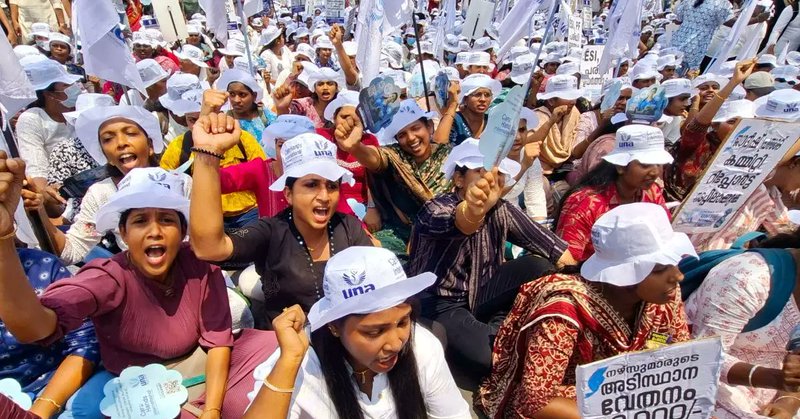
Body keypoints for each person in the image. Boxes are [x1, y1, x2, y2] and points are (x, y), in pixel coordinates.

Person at [0, 159, 278, 418]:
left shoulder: (199, 265)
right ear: (123, 233)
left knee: (275, 348)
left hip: (200, 367)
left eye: (167, 220)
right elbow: (36, 327)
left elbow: (218, 341)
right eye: (140, 221)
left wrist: (213, 410)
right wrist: (3, 238)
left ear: (182, 232)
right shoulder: (107, 276)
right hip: (137, 385)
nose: (154, 231)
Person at [476, 203, 696, 419]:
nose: (678, 276)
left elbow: (678, 355)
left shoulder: (665, 296)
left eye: (674, 264)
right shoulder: (564, 310)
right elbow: (535, 402)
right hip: (573, 404)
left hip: (632, 398)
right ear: (625, 278)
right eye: (659, 269)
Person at [408, 139, 575, 378]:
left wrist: (578, 289)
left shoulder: (502, 208)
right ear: (458, 179)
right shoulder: (436, 207)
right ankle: (485, 336)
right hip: (440, 303)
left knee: (542, 266)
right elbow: (462, 223)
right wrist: (474, 210)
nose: (489, 178)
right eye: (480, 171)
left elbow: (552, 247)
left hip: (483, 291)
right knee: (491, 360)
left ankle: (498, 325)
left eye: (497, 173)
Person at [245, 246, 471, 419]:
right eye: (374, 332)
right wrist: (289, 361)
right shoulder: (300, 365)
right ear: (333, 326)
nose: (395, 343)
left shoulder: (422, 345)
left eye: (403, 322)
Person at [189, 122, 373, 322]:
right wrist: (207, 155)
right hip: (291, 345)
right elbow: (209, 248)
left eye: (332, 186)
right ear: (289, 194)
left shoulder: (348, 227)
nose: (324, 196)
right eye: (311, 185)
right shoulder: (271, 231)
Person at [685, 225, 800, 418]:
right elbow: (702, 358)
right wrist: (776, 378)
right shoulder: (748, 277)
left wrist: (787, 403)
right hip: (707, 385)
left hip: (771, 392)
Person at [0, 242, 105, 419]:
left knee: (89, 408)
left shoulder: (41, 266)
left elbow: (85, 341)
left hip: (56, 386)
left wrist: (43, 408)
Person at [334, 100, 453, 253]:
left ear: (429, 126)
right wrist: (355, 147)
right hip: (401, 234)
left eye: (416, 128)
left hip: (447, 233)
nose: (411, 138)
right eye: (402, 135)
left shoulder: (449, 157)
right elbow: (375, 158)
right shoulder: (395, 156)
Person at [556, 125, 673, 262]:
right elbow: (568, 260)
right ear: (620, 167)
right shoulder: (586, 203)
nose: (655, 173)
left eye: (659, 164)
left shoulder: (652, 192)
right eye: (645, 165)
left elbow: (665, 236)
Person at [160, 88, 264, 230]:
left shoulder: (242, 138)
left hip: (249, 214)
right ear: (185, 120)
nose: (200, 125)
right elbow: (165, 186)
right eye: (193, 120)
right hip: (206, 216)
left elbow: (263, 174)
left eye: (209, 116)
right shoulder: (178, 147)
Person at [665, 59, 755, 200]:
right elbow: (697, 126)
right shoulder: (699, 144)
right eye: (732, 121)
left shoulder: (748, 153)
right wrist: (733, 83)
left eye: (745, 124)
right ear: (714, 125)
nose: (739, 127)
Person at [316, 90, 382, 229]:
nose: (349, 122)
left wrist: (372, 209)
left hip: (363, 205)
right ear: (334, 118)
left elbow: (374, 177)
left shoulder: (369, 140)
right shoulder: (321, 137)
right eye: (344, 116)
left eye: (356, 117)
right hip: (327, 204)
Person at [17, 58, 81, 197]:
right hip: (60, 193)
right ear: (49, 94)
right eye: (66, 84)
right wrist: (47, 196)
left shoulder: (79, 112)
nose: (75, 87)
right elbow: (35, 165)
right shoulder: (32, 118)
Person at [532, 74, 582, 174]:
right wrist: (551, 122)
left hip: (565, 169)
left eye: (574, 97)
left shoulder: (574, 113)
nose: (573, 102)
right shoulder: (538, 117)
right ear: (551, 100)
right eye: (568, 97)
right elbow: (531, 144)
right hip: (540, 170)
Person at [214, 71, 277, 150]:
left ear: (254, 96)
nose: (236, 100)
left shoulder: (264, 114)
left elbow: (280, 134)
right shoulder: (227, 122)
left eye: (242, 94)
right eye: (232, 94)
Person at [434, 74, 500, 146]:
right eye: (477, 94)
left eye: (487, 95)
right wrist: (453, 104)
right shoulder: (454, 120)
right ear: (465, 99)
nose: (483, 99)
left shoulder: (492, 122)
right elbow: (438, 144)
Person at [274, 63, 340, 128]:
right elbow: (286, 118)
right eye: (320, 84)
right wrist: (282, 108)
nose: (325, 87)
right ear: (314, 88)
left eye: (330, 84)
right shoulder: (305, 104)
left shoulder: (341, 107)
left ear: (336, 88)